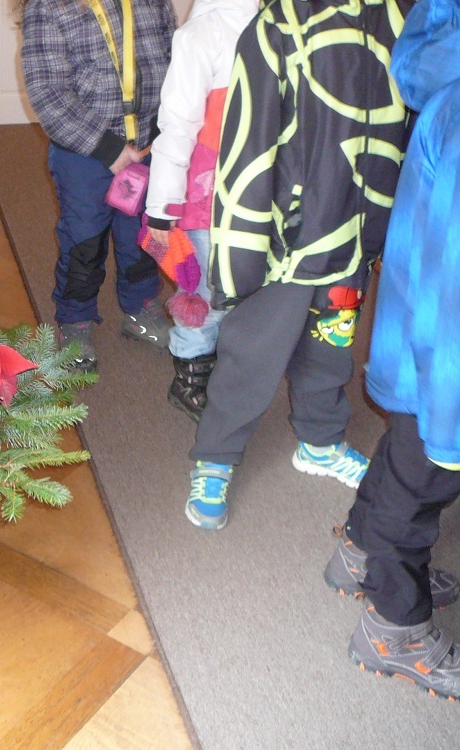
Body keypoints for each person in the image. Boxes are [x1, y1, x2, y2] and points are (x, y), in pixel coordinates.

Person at [183, 0, 414, 530]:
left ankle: (320, 439)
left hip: (355, 230)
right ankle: (216, 454)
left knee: (332, 343)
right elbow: (247, 143)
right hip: (288, 240)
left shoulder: (397, 17)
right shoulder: (278, 24)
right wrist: (245, 245)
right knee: (254, 350)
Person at [322, 0, 460, 698]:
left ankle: (358, 551)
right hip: (449, 361)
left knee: (407, 458)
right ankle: (392, 627)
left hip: (426, 341)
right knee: (424, 478)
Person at [20, 0, 176, 372]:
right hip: (85, 153)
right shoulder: (48, 7)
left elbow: (174, 60)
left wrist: (167, 126)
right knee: (84, 240)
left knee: (143, 235)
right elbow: (48, 92)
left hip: (147, 147)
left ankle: (141, 306)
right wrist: (106, 147)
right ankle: (75, 320)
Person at [144, 0, 260, 421]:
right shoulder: (200, 35)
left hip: (261, 192)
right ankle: (190, 377)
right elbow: (177, 125)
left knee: (250, 289)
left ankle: (230, 367)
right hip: (207, 200)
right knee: (207, 293)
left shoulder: (282, 23)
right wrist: (162, 206)